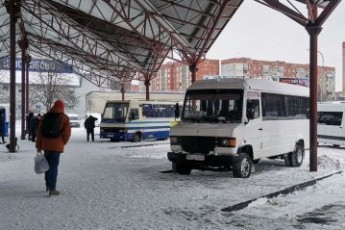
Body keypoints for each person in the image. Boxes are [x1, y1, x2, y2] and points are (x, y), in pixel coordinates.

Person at [36, 100, 71, 196]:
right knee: (54, 167)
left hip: (46, 145)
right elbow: (67, 134)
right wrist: (63, 142)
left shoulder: (45, 117)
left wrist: (38, 146)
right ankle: (52, 189)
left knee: (46, 166)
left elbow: (39, 132)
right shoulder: (64, 118)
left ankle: (47, 185)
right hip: (57, 146)